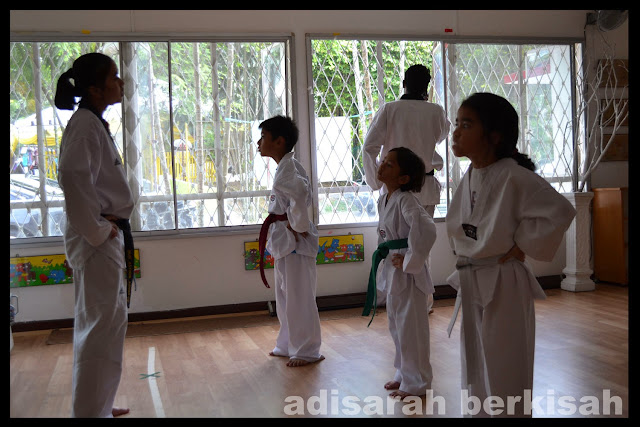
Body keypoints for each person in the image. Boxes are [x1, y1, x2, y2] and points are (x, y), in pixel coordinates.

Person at [446, 92, 576, 417]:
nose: (456, 132)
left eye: (466, 125)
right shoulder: (471, 174)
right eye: (456, 124)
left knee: (505, 362)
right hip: (473, 276)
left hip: (503, 279)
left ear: (494, 136)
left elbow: (560, 210)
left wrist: (523, 244)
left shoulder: (514, 176)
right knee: (475, 360)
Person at [55, 52, 133, 418]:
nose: (120, 82)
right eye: (113, 77)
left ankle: (98, 404)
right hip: (97, 238)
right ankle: (89, 411)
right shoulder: (85, 125)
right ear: (94, 89)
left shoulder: (92, 123)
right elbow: (72, 177)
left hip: (103, 235)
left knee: (109, 325)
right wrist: (99, 230)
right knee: (98, 327)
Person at [363, 64, 450, 314]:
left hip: (395, 187)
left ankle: (393, 297)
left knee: (391, 241)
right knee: (420, 244)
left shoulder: (390, 109)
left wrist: (377, 180)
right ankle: (423, 301)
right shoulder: (436, 111)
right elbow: (441, 135)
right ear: (428, 87)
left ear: (403, 84)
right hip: (424, 187)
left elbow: (369, 147)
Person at [362, 147, 437, 398]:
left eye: (389, 164)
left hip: (408, 271)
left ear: (404, 178)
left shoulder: (407, 200)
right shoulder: (384, 198)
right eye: (383, 160)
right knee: (397, 325)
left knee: (411, 328)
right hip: (394, 267)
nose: (382, 165)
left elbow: (426, 229)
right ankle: (404, 373)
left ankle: (417, 383)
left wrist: (410, 258)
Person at [256, 115, 324, 368]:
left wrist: (298, 225)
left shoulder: (289, 169)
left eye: (263, 137)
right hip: (286, 239)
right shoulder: (285, 167)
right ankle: (286, 343)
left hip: (295, 241)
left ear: (279, 141)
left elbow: (301, 195)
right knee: (285, 295)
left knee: (299, 297)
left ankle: (307, 350)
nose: (259, 143)